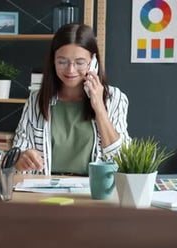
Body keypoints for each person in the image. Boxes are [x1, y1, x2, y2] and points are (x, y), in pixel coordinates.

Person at [13, 23, 130, 175]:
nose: (70, 70)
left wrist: (99, 107)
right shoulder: (36, 99)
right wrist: (22, 158)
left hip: (93, 191)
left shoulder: (115, 98)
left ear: (93, 62)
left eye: (79, 62)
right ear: (53, 61)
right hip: (45, 191)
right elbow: (18, 152)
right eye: (62, 61)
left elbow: (122, 159)